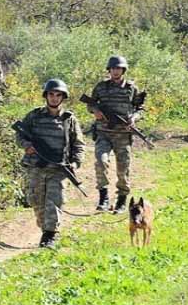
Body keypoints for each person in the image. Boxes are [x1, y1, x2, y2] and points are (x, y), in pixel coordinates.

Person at [15, 79, 85, 248]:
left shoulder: (69, 119)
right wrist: (27, 146)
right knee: (37, 202)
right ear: (46, 96)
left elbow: (79, 145)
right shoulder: (34, 116)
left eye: (58, 95)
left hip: (58, 169)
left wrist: (75, 163)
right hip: (36, 167)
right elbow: (20, 135)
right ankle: (45, 227)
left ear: (63, 97)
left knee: (55, 200)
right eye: (51, 94)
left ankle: (49, 235)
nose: (54, 98)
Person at [87, 56, 144, 214]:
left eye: (118, 69)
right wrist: (95, 111)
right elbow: (90, 104)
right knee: (101, 161)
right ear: (109, 70)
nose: (115, 71)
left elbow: (140, 108)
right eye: (113, 68)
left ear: (123, 70)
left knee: (123, 169)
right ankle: (103, 198)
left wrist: (134, 118)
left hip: (123, 135)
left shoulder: (132, 88)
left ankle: (121, 201)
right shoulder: (100, 87)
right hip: (103, 133)